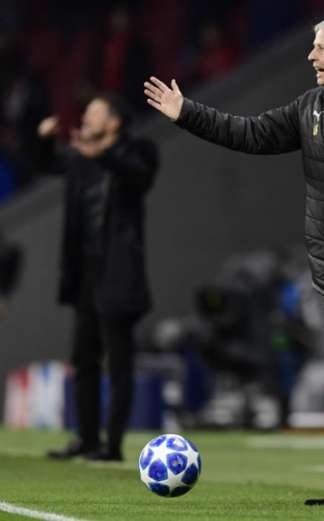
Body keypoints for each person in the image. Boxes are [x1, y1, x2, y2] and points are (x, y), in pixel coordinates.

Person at [144, 15, 324, 506]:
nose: (311, 56)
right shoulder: (311, 106)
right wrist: (186, 112)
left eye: (320, 48)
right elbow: (253, 133)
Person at [39, 94, 159, 462]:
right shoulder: (79, 159)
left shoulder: (139, 150)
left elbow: (137, 175)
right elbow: (47, 163)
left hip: (119, 274)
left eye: (93, 113)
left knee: (119, 362)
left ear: (113, 123)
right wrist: (43, 140)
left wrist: (102, 154)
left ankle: (113, 444)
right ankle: (87, 438)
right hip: (86, 274)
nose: (86, 118)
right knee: (84, 358)